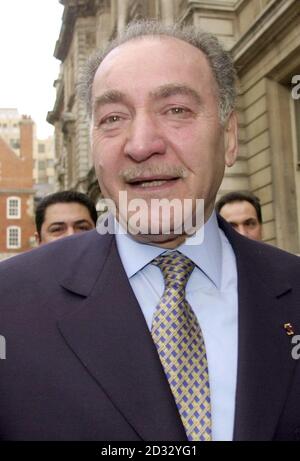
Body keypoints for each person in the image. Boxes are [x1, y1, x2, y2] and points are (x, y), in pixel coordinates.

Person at [0, 20, 299, 442]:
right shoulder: (9, 304)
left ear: (229, 137)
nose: (141, 144)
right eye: (113, 117)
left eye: (176, 109)